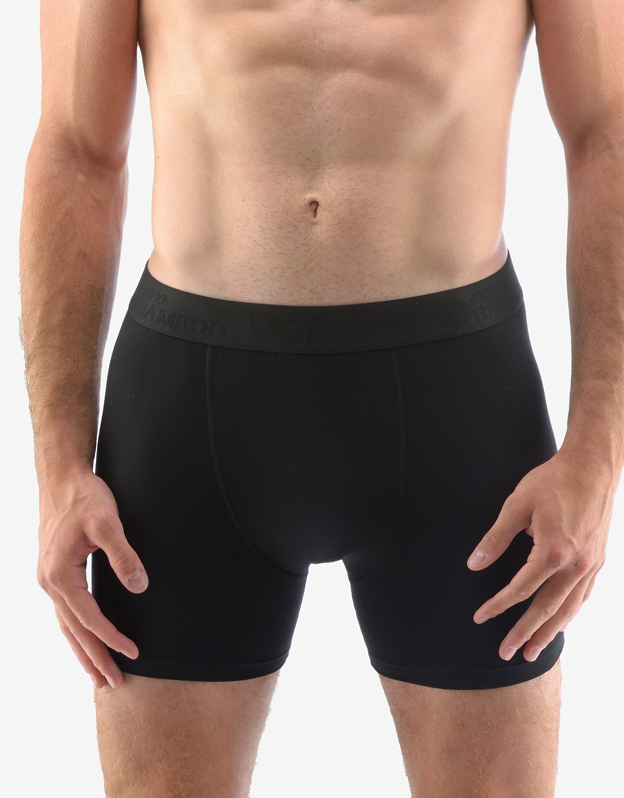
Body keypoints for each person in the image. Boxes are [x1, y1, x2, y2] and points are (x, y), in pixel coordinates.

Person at [17, 0, 624, 796]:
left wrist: (599, 449)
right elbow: (77, 148)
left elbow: (607, 135)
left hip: (458, 407)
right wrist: (58, 465)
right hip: (190, 414)